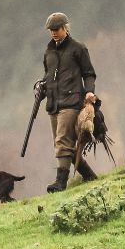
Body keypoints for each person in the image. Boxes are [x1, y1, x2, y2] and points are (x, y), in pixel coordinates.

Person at [41, 13, 98, 192]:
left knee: (63, 141)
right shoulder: (49, 51)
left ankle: (61, 183)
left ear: (66, 28)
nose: (53, 33)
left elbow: (89, 73)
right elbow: (48, 76)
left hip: (71, 101)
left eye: (56, 29)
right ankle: (89, 176)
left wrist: (89, 91)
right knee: (63, 144)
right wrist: (41, 87)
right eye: (51, 30)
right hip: (53, 104)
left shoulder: (78, 48)